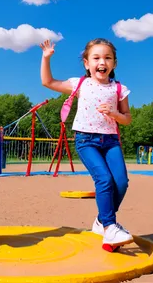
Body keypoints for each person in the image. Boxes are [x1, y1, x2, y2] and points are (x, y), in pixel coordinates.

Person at [39, 38, 133, 250]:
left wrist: (116, 113)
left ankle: (101, 221)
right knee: (104, 179)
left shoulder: (119, 89)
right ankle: (110, 227)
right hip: (86, 140)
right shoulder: (80, 84)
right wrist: (46, 58)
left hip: (110, 141)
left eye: (107, 58)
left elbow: (127, 118)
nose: (102, 62)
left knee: (121, 182)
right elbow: (48, 82)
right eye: (96, 57)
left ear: (114, 64)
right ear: (86, 63)